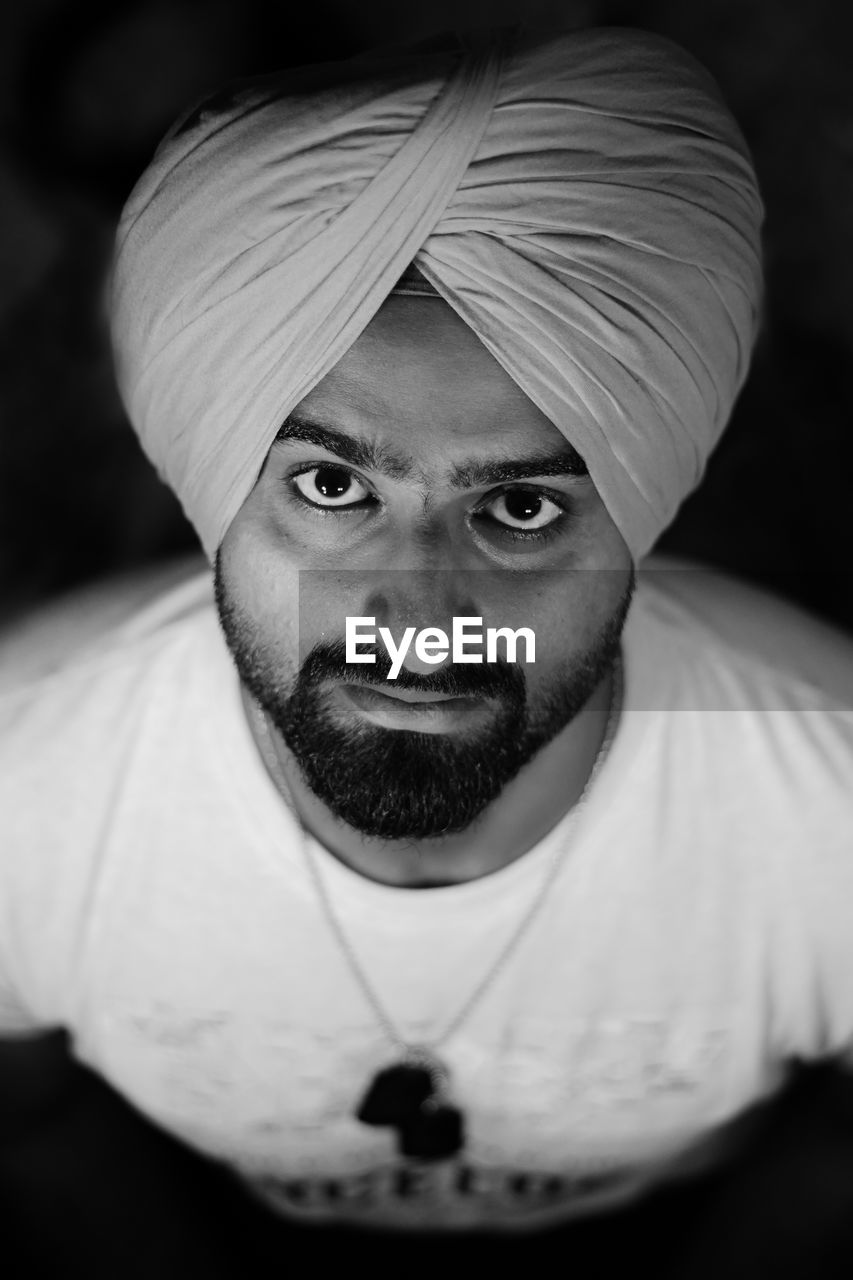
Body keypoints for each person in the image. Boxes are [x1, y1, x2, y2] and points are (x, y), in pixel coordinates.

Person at [2, 22, 853, 1272]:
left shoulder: (827, 789)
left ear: (645, 514)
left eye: (518, 508)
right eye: (335, 491)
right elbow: (33, 1130)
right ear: (210, 492)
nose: (419, 613)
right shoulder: (25, 779)